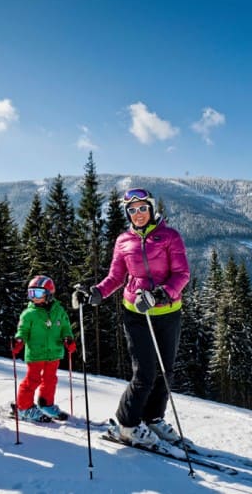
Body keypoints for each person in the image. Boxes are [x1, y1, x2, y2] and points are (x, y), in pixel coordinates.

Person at [86, 188, 190, 448]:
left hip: (167, 313)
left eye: (142, 208)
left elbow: (182, 274)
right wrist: (99, 292)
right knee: (145, 373)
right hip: (136, 314)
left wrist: (160, 295)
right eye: (132, 210)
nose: (138, 214)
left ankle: (153, 417)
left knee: (165, 372)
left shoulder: (169, 236)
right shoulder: (123, 241)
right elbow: (116, 277)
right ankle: (127, 424)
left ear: (152, 209)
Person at [12, 275, 76, 423]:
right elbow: (22, 330)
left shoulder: (59, 311)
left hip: (54, 352)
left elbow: (66, 327)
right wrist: (19, 340)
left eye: (38, 293)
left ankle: (46, 404)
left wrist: (68, 338)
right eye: (31, 293)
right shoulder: (29, 314)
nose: (33, 297)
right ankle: (24, 408)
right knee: (32, 380)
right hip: (36, 353)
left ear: (48, 294)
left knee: (50, 380)